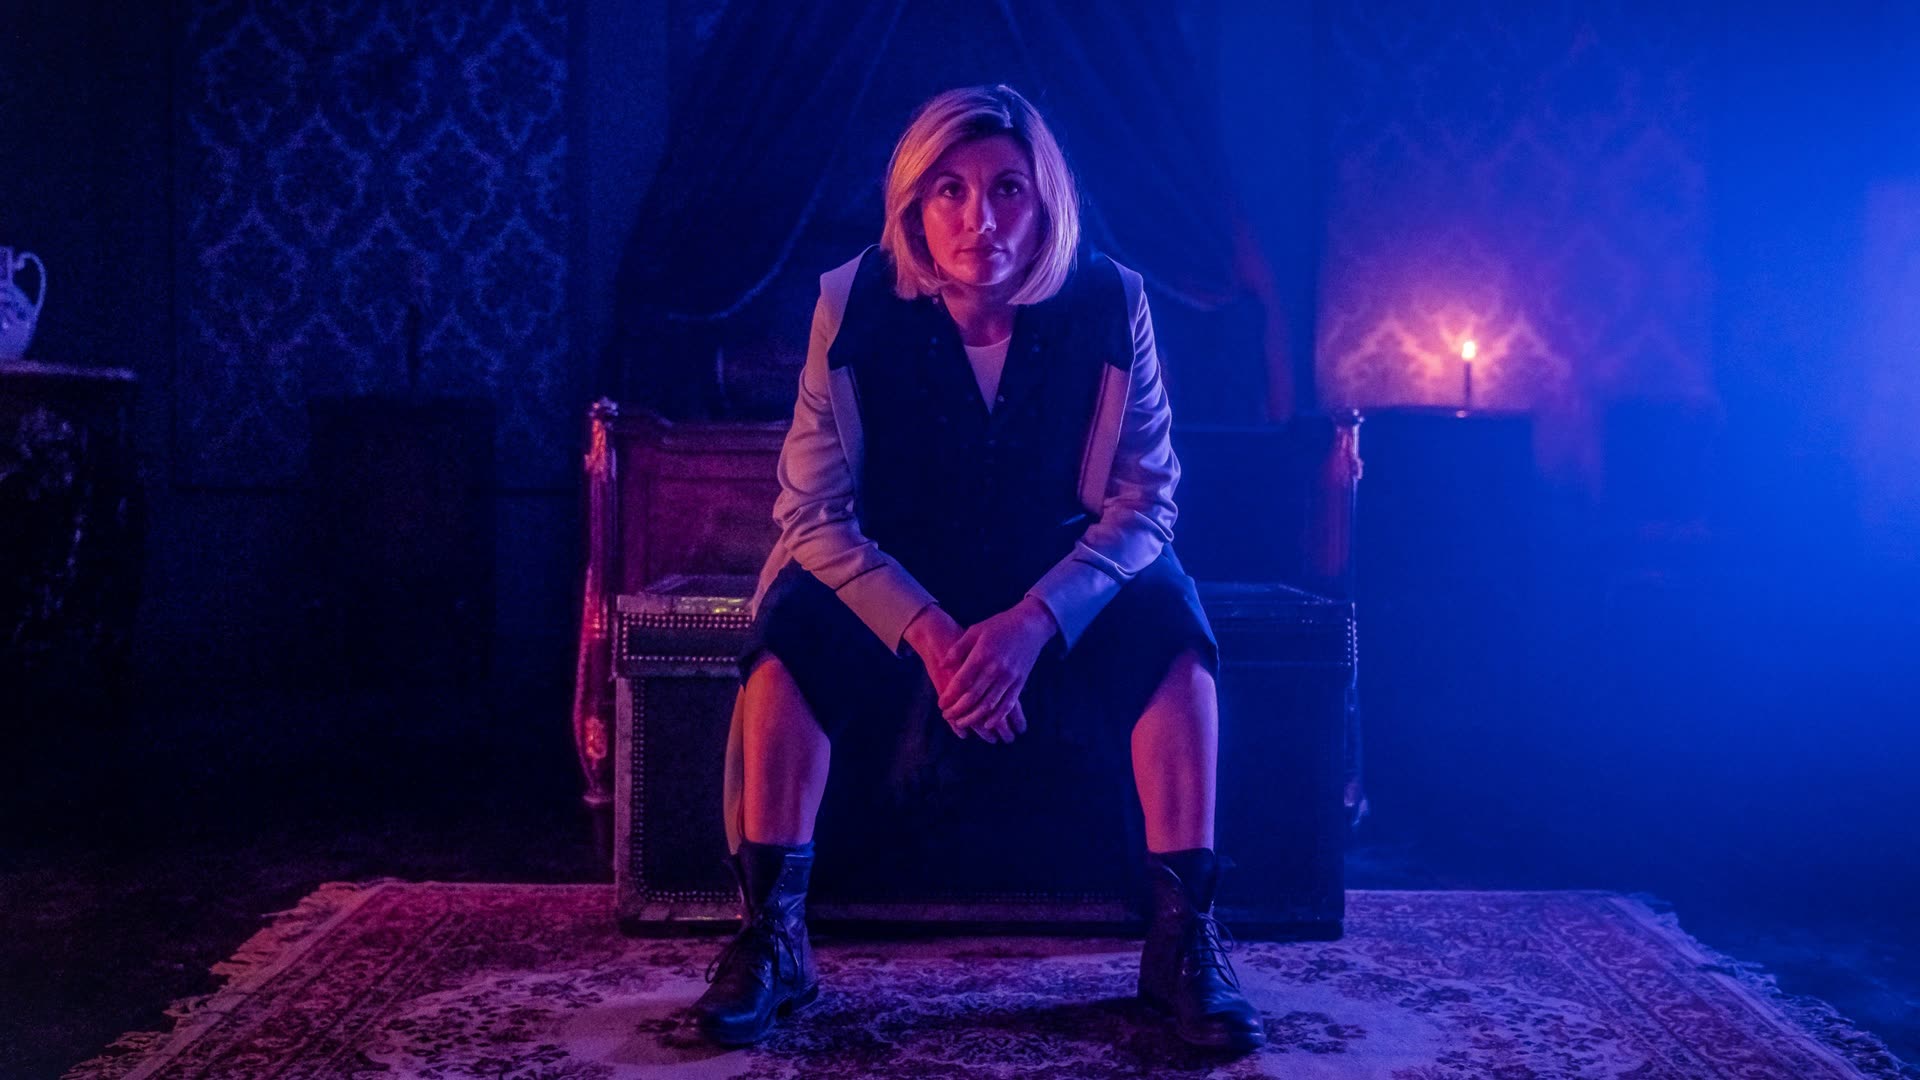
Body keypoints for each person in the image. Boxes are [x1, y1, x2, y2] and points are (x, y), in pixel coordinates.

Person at [692, 84, 1265, 1055]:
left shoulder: (1112, 300)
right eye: (949, 191)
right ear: (913, 204)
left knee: (1173, 622)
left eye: (1007, 190)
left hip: (1060, 572)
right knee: (789, 622)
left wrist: (1035, 620)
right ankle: (772, 935)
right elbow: (812, 511)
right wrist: (929, 630)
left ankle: (1182, 940)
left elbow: (1146, 500)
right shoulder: (849, 303)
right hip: (896, 574)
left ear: (1045, 202)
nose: (979, 219)